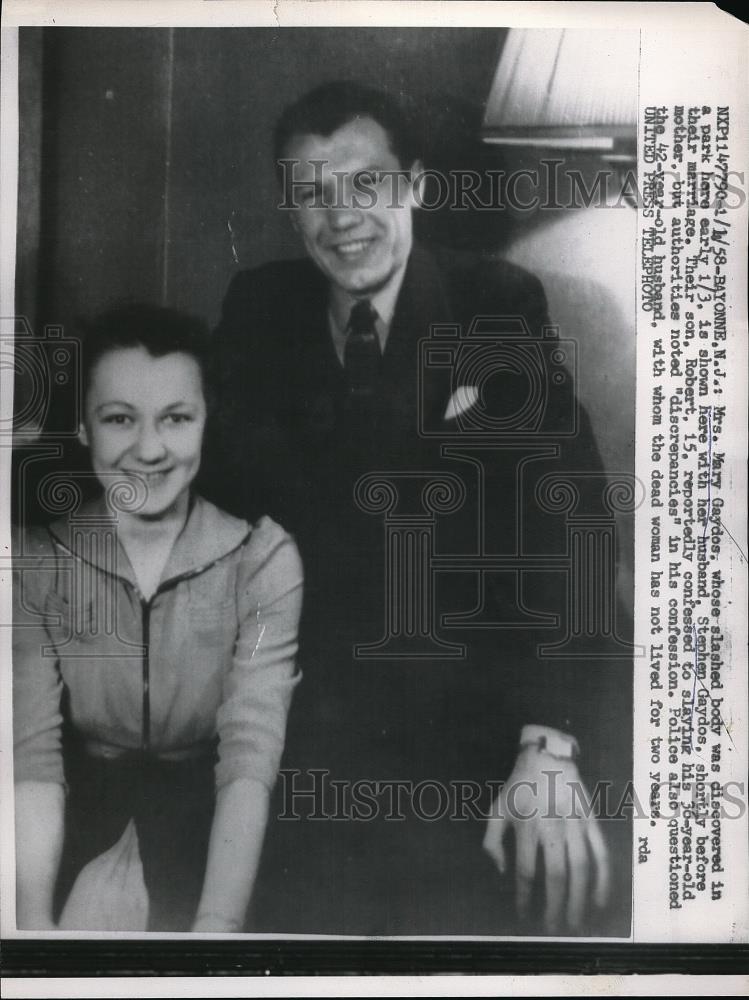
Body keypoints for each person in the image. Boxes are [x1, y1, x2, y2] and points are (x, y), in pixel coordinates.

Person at [203, 81, 631, 935]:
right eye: (312, 193)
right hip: (312, 718)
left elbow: (574, 523)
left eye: (366, 185)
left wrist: (547, 743)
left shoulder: (493, 305)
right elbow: (217, 517)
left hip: (481, 715)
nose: (341, 218)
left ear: (417, 187)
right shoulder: (261, 312)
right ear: (290, 210)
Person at [13, 303, 304, 932]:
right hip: (72, 809)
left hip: (218, 819)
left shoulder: (262, 558)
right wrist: (31, 935)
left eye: (176, 418)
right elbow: (30, 761)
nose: (149, 450)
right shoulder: (33, 559)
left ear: (205, 424)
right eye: (120, 419)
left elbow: (249, 759)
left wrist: (215, 932)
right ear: (84, 427)